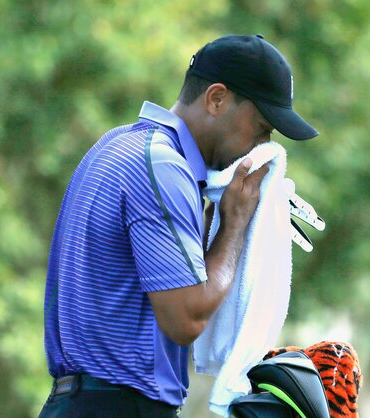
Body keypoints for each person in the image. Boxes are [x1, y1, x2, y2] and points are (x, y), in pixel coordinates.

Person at [38, 34, 318, 418]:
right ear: (217, 99)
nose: (262, 146)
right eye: (262, 127)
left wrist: (210, 224)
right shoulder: (163, 168)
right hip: (119, 406)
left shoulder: (120, 144)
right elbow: (186, 317)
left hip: (82, 401)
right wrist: (232, 225)